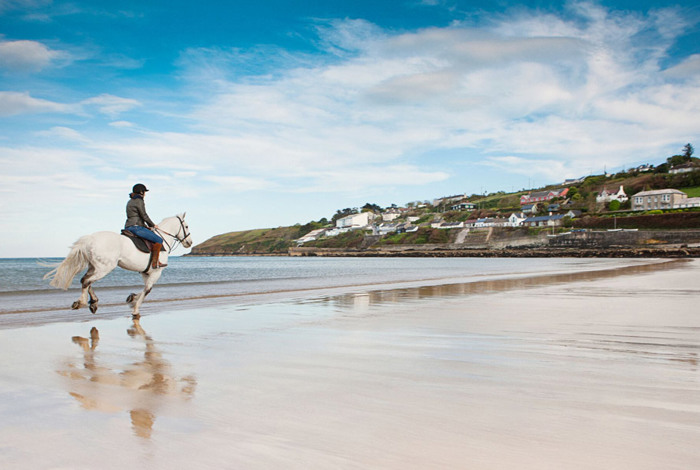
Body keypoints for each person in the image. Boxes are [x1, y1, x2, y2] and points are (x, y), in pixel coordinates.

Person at [124, 183, 166, 269]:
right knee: (159, 239)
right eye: (144, 192)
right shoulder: (139, 201)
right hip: (136, 227)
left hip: (129, 226)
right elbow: (144, 215)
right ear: (141, 192)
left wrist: (145, 226)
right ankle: (155, 263)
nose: (145, 194)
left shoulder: (130, 201)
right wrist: (153, 225)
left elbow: (136, 216)